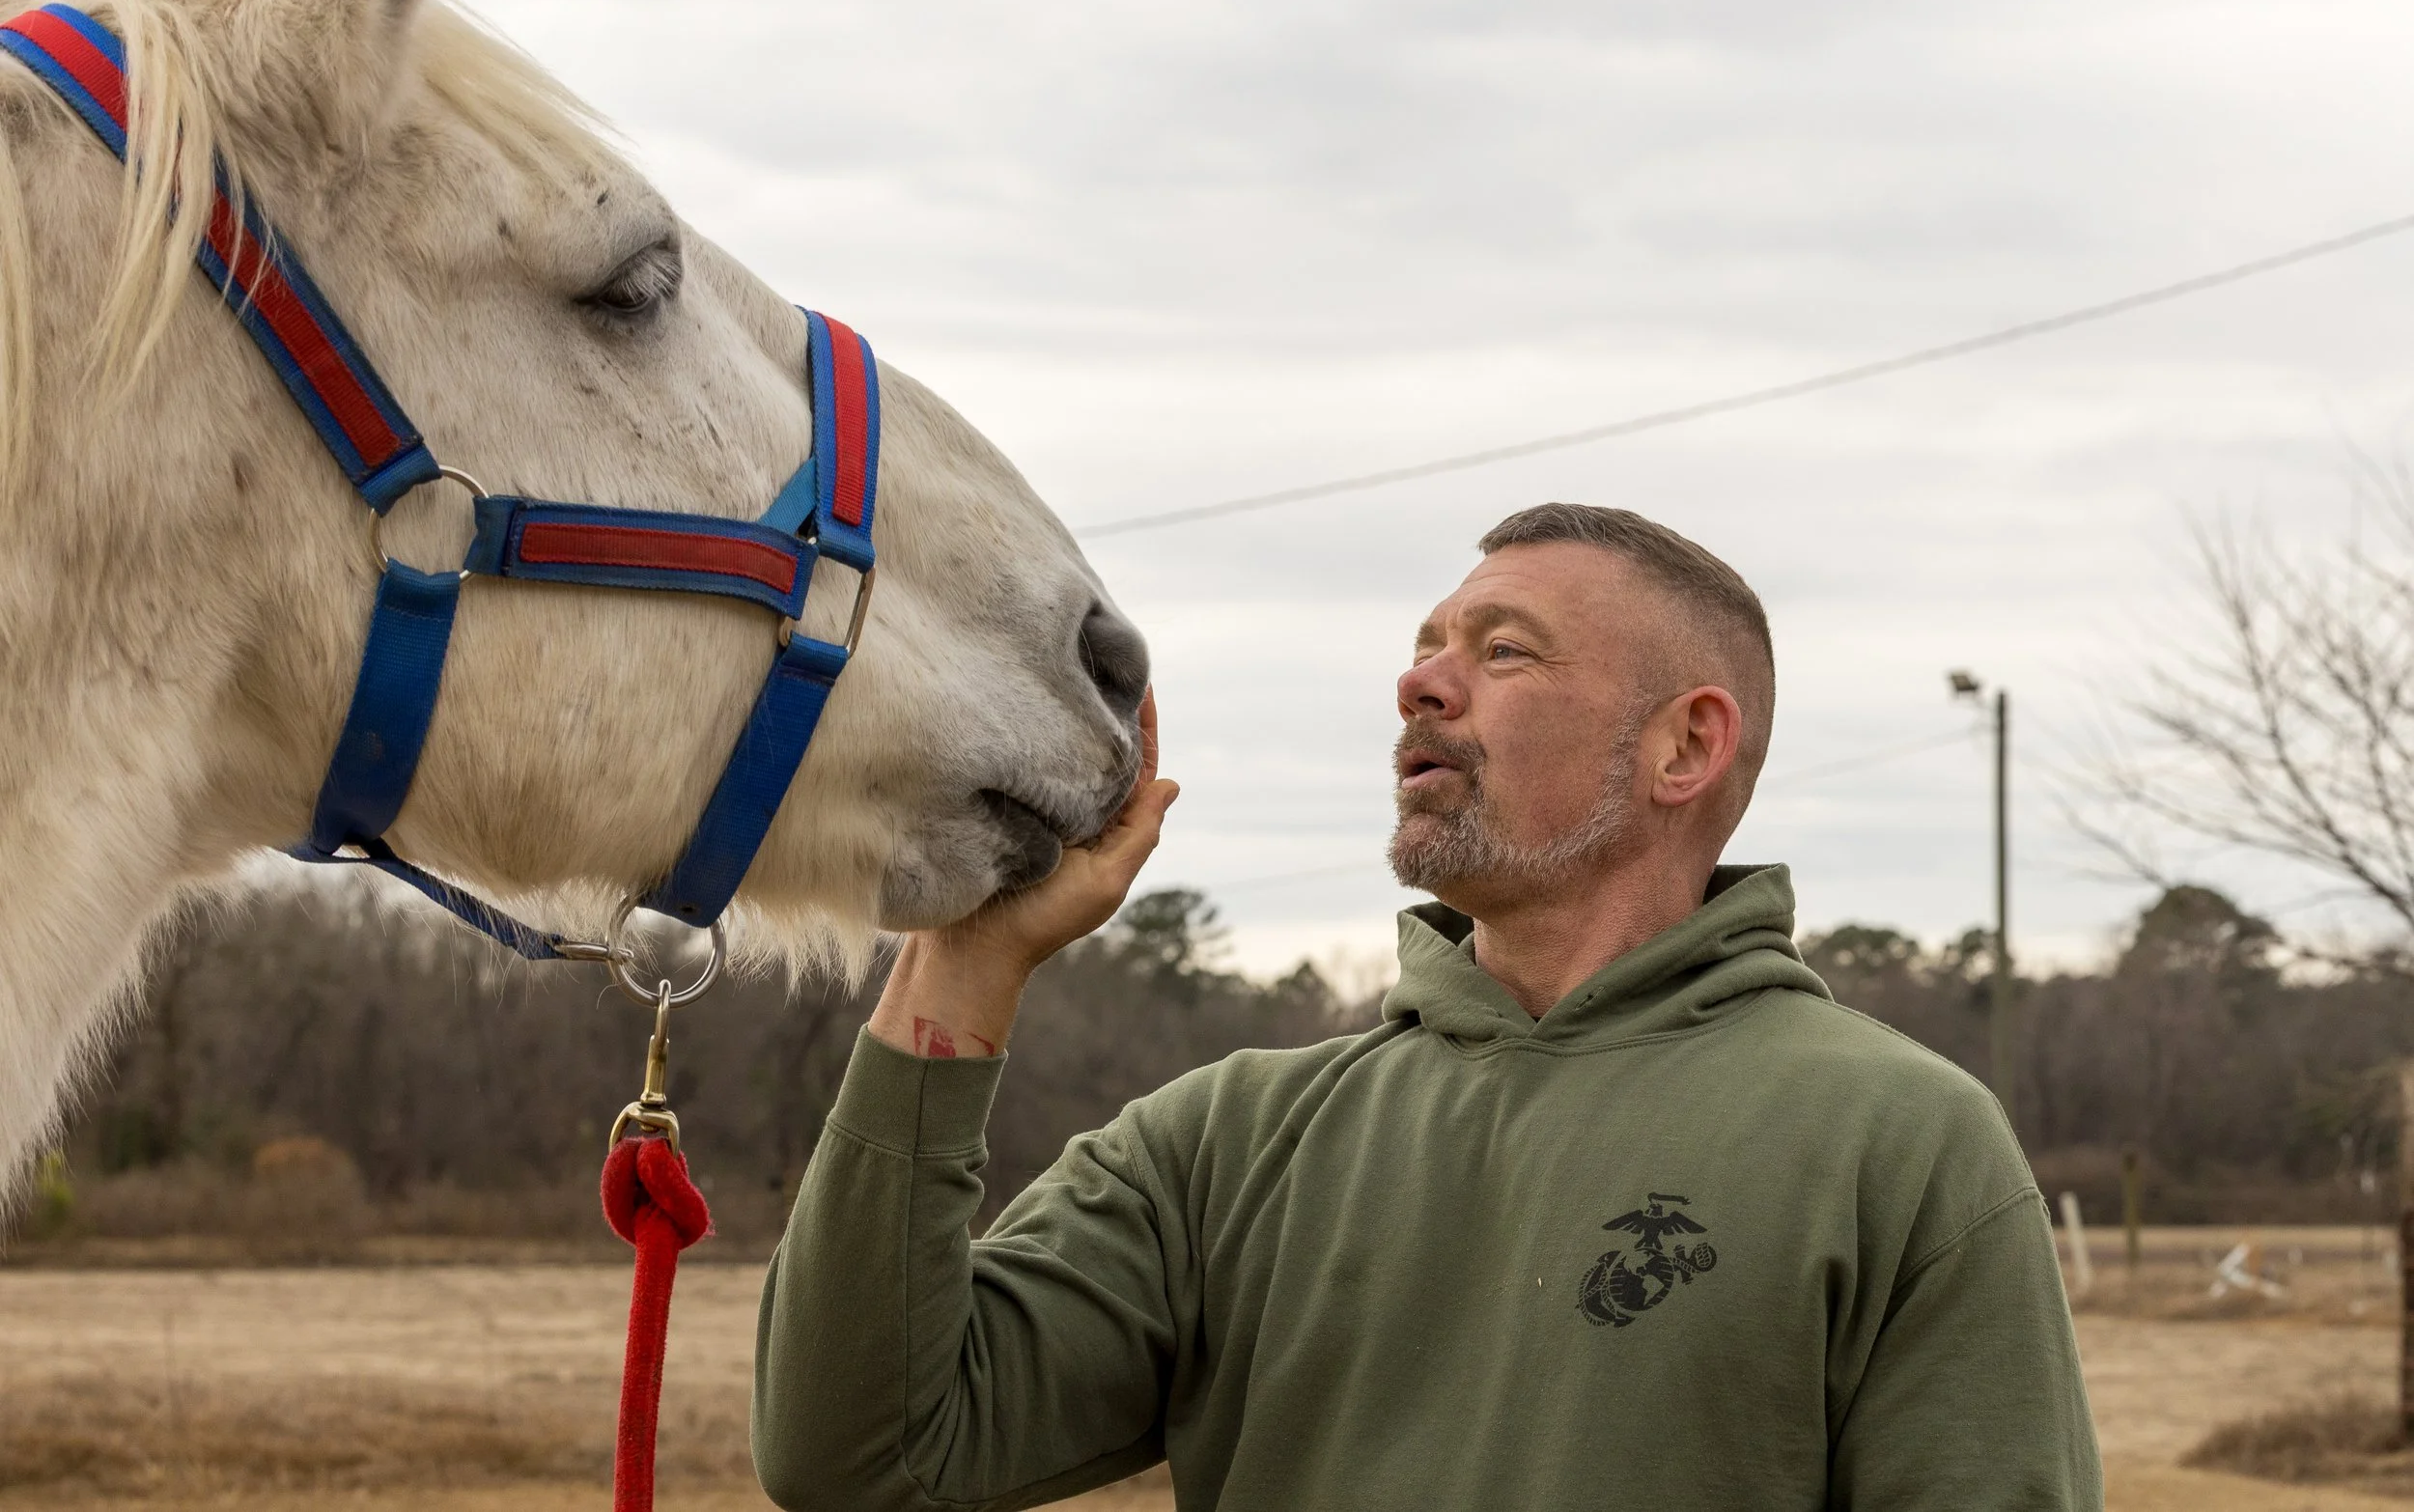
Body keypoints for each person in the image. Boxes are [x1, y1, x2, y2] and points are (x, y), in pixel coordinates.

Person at [753, 503, 2101, 1511]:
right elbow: (859, 1451)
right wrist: (963, 964)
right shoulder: (1225, 1144)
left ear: (1687, 744)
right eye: (1425, 649)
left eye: (1504, 652)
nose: (1422, 682)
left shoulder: (1901, 1142)